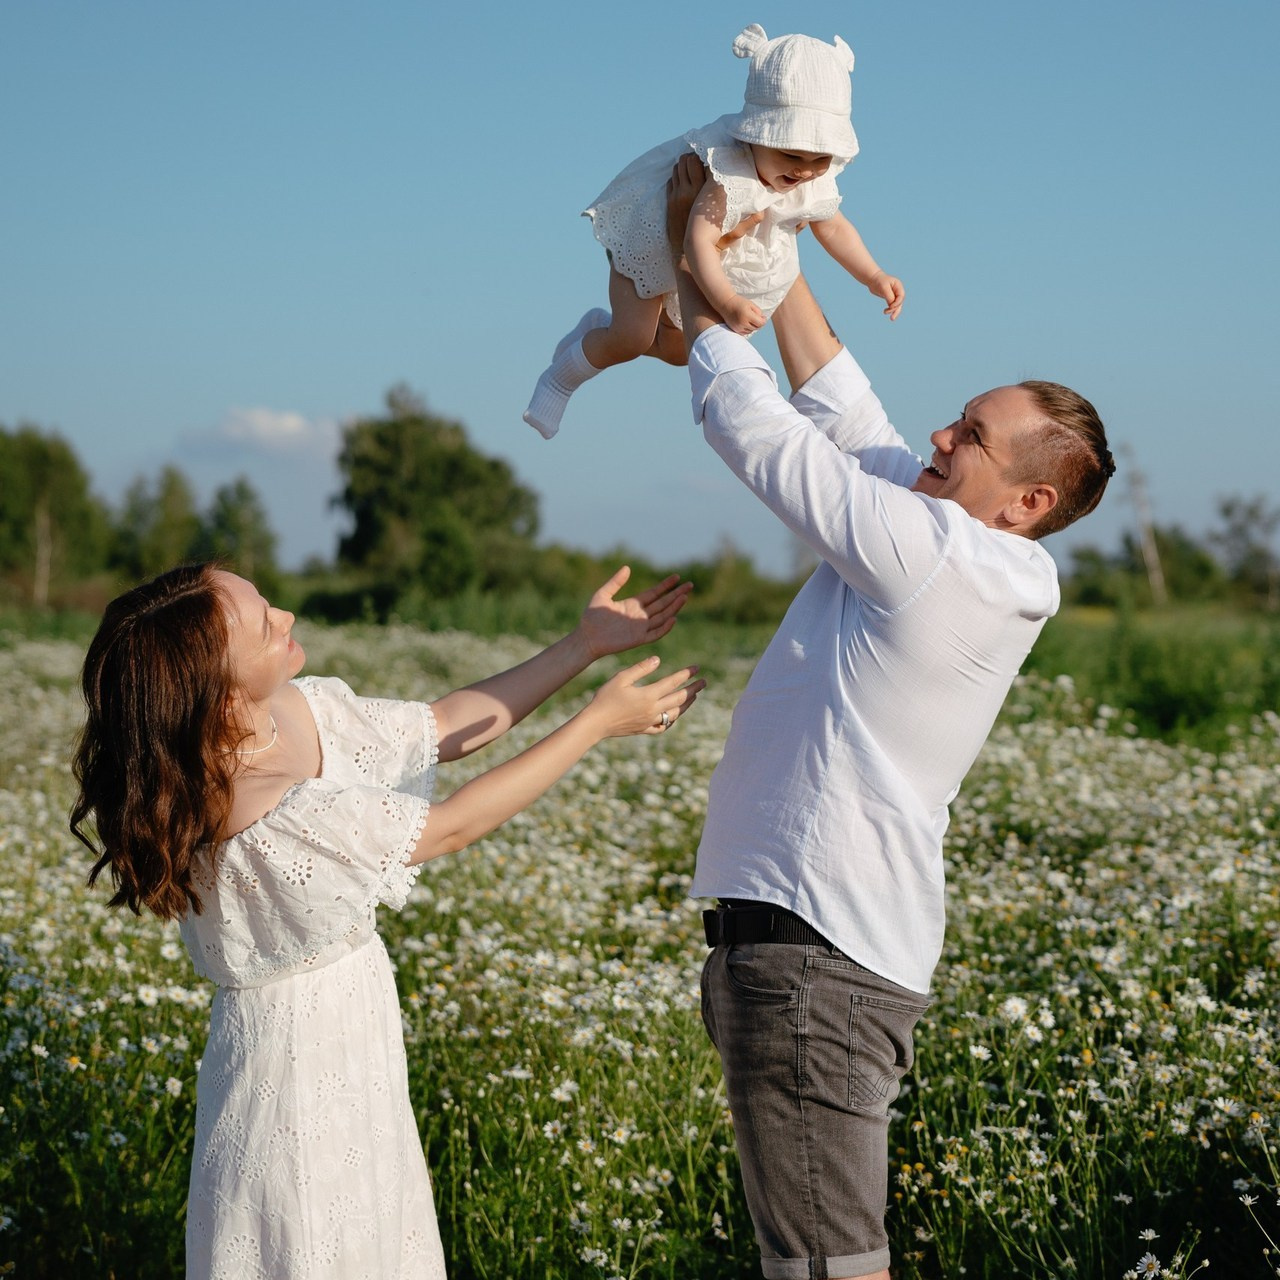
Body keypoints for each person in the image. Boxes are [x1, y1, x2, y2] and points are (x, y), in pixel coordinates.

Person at [666, 157, 1114, 1280]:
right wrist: (777, 241)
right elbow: (840, 404)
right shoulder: (944, 538)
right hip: (820, 948)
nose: (940, 434)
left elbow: (764, 439)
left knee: (824, 1267)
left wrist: (702, 274)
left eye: (969, 433)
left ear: (1027, 502)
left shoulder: (933, 556)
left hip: (812, 956)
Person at [70, 562, 704, 1279]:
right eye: (261, 622)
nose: (285, 616)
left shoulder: (294, 711)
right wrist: (592, 724)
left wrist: (582, 646)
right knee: (313, 1245)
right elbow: (454, 826)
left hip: (356, 1052)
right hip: (292, 1082)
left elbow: (438, 727)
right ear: (213, 687)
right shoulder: (259, 805)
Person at [522, 23, 903, 440]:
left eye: (820, 159)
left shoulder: (811, 174)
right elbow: (695, 240)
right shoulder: (727, 171)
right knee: (631, 337)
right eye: (790, 153)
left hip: (712, 255)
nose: (805, 170)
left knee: (681, 352)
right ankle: (560, 378)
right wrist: (729, 300)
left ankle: (598, 330)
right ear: (756, 135)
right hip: (650, 236)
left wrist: (873, 275)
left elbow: (833, 227)